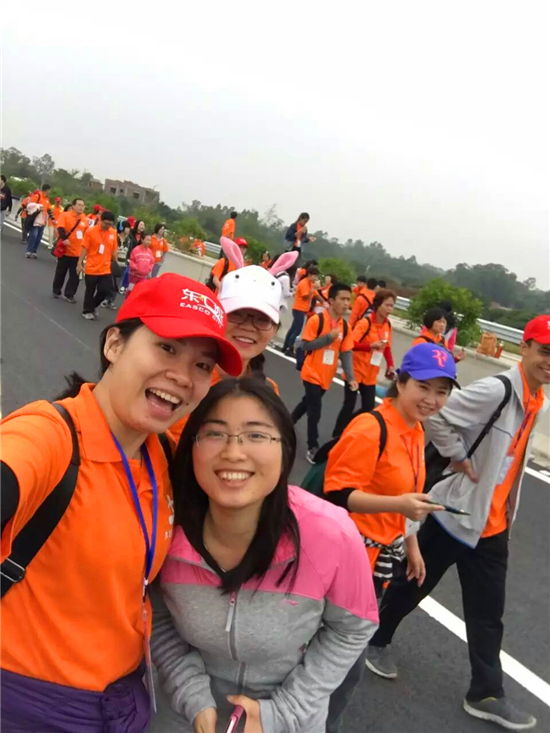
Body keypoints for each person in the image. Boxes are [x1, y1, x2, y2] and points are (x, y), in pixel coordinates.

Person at [0, 274, 242, 733]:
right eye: (166, 347)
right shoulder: (49, 435)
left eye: (202, 365)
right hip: (25, 704)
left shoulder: (163, 455)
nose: (182, 376)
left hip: (123, 698)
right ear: (114, 344)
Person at [149, 377, 379, 733]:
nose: (233, 452)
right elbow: (157, 616)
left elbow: (351, 629)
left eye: (256, 435)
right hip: (183, 717)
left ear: (285, 449)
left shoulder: (331, 533)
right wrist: (192, 696)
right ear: (191, 447)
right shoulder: (164, 526)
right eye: (214, 433)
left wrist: (284, 712)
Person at [366, 315, 550, 731]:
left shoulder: (537, 400)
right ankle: (374, 638)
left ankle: (486, 692)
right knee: (413, 583)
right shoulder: (498, 390)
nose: (549, 361)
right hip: (455, 512)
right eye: (545, 351)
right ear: (524, 348)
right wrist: (458, 455)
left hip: (493, 523)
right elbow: (437, 413)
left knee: (488, 612)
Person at [322, 343, 456, 733]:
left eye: (442, 391)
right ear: (400, 382)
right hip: (346, 562)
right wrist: (398, 504)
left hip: (379, 563)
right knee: (338, 665)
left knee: (343, 663)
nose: (431, 399)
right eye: (423, 387)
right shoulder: (371, 428)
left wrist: (411, 546)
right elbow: (338, 494)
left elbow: (409, 497)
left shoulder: (414, 430)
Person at [169, 242, 299, 444]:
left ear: (274, 329)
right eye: (237, 314)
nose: (248, 326)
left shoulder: (267, 391)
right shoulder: (178, 373)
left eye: (262, 319)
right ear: (217, 315)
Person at [291, 283, 358, 463]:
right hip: (311, 372)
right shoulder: (316, 320)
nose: (346, 303)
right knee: (315, 410)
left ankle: (288, 421)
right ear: (332, 300)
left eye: (348, 300)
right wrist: (328, 338)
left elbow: (346, 353)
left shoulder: (346, 327)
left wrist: (351, 378)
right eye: (343, 299)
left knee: (307, 403)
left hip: (326, 375)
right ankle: (313, 446)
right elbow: (306, 345)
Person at [333, 289, 397, 437]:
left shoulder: (387, 325)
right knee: (349, 405)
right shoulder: (365, 323)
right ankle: (337, 434)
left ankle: (348, 427)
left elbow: (387, 347)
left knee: (368, 408)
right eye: (387, 305)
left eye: (392, 306)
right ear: (378, 305)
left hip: (370, 374)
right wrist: (370, 346)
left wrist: (390, 365)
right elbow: (350, 343)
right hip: (355, 371)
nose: (389, 309)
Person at [77, 210, 119, 320]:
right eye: (106, 223)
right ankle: (87, 311)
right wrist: (79, 263)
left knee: (105, 290)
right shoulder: (91, 231)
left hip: (106, 268)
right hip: (92, 266)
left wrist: (116, 262)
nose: (108, 226)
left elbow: (114, 249)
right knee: (90, 291)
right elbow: (84, 247)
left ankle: (92, 306)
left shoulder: (113, 233)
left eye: (110, 224)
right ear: (100, 220)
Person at [51, 198, 89, 303]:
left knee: (75, 276)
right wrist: (64, 239)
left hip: (78, 253)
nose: (81, 207)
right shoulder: (65, 215)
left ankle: (69, 294)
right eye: (79, 205)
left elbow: (87, 235)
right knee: (60, 272)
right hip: (65, 250)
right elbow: (60, 228)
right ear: (73, 206)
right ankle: (56, 290)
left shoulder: (85, 220)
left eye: (83, 205)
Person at [282, 265, 320, 355]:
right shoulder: (304, 283)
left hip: (301, 309)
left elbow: (316, 295)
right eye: (315, 276)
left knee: (293, 329)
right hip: (299, 308)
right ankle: (289, 348)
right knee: (297, 330)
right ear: (309, 275)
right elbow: (305, 297)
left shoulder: (310, 284)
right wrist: (313, 289)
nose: (316, 278)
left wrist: (325, 302)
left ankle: (285, 346)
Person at [24, 184, 54, 259]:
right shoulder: (37, 196)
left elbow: (49, 210)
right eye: (49, 190)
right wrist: (38, 209)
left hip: (43, 221)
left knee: (39, 237)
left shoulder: (47, 199)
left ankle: (34, 251)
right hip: (35, 220)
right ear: (47, 190)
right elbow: (30, 206)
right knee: (34, 235)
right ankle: (29, 250)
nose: (50, 192)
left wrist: (53, 219)